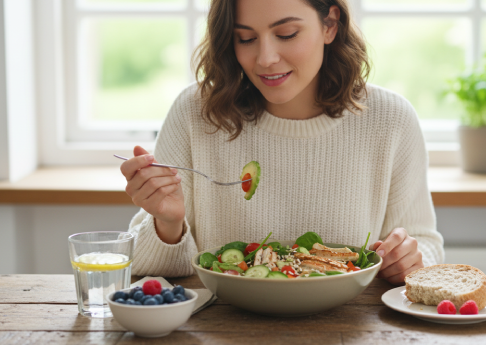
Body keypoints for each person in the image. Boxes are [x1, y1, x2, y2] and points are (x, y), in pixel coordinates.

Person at [119, 0, 444, 285]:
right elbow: (150, 267)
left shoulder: (391, 119)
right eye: (245, 38)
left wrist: (407, 259)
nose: (265, 58)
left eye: (287, 34)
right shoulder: (196, 113)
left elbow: (425, 246)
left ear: (330, 24)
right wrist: (168, 222)